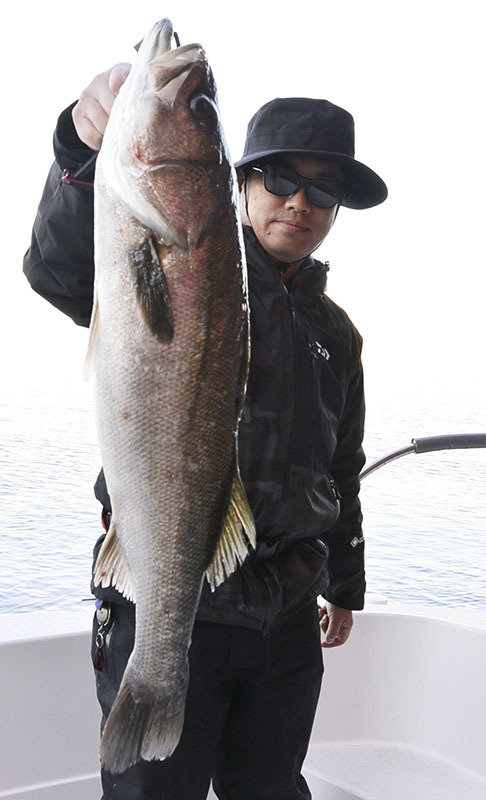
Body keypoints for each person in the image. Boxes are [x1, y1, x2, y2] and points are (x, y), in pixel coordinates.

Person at [23, 59, 387, 800]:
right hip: (169, 599)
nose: (300, 202)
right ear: (240, 183)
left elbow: (341, 466)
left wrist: (344, 585)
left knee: (271, 788)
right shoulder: (181, 264)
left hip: (287, 618)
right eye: (281, 179)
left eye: (324, 191)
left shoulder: (337, 332)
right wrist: (78, 150)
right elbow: (57, 270)